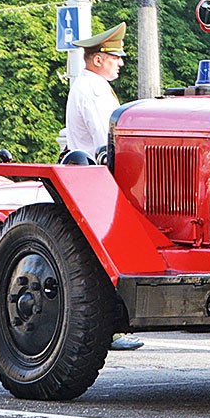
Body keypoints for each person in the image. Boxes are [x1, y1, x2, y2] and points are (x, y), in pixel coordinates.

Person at [64, 22, 144, 352]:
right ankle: (110, 327)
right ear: (98, 59)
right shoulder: (94, 89)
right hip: (101, 175)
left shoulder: (89, 85)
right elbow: (107, 140)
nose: (120, 62)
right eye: (115, 56)